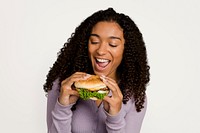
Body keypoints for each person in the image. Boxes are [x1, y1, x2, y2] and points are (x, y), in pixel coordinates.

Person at [43, 7, 150, 133]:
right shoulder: (63, 85)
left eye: (112, 44)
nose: (100, 51)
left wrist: (115, 117)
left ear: (126, 50)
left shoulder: (134, 97)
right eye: (94, 41)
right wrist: (62, 107)